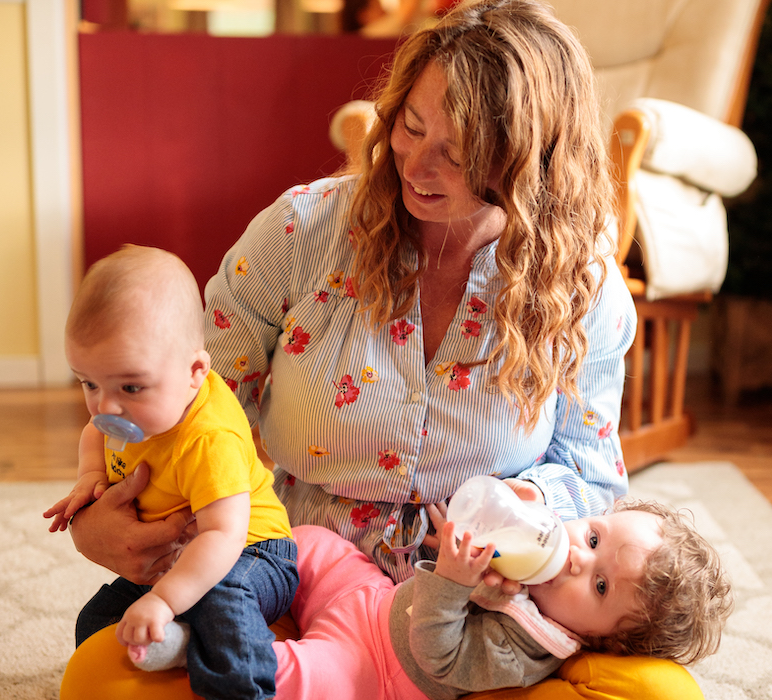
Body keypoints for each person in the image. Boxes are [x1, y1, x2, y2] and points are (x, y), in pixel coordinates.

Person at [64, 0, 638, 694]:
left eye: (457, 156)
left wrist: (523, 510)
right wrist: (112, 525)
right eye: (411, 126)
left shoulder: (583, 287)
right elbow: (179, 388)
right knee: (101, 664)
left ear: (530, 160)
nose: (416, 167)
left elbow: (593, 474)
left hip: (480, 621)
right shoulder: (304, 233)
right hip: (291, 587)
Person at [45, 245, 299, 700]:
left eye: (129, 386)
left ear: (195, 372)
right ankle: (185, 643)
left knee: (221, 604)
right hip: (181, 557)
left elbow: (223, 537)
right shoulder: (132, 408)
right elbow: (93, 433)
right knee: (98, 619)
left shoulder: (208, 438)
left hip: (252, 552)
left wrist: (163, 599)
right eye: (88, 383)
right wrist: (89, 476)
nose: (105, 407)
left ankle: (247, 687)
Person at [271, 497, 731, 699]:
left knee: (292, 679)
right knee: (305, 542)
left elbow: (439, 657)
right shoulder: (536, 567)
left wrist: (451, 582)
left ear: (603, 642)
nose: (575, 558)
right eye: (593, 538)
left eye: (600, 585)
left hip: (373, 670)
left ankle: (214, 640)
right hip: (372, 597)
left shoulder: (527, 651)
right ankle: (234, 567)